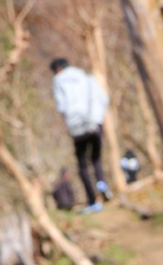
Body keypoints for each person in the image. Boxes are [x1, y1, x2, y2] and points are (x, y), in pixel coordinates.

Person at [50, 57, 112, 214]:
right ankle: (101, 183)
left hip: (76, 126)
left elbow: (61, 106)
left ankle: (92, 199)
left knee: (82, 164)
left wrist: (69, 120)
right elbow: (103, 98)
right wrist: (97, 118)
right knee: (96, 158)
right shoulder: (86, 77)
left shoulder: (58, 81)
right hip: (94, 122)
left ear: (57, 69)